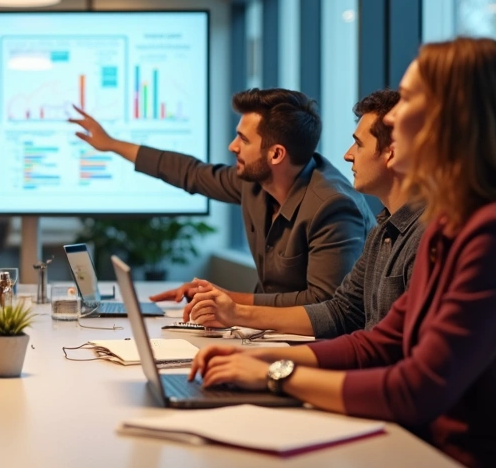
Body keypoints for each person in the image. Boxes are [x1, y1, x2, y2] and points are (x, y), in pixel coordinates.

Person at [188, 38, 496, 468]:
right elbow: (381, 340)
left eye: (408, 100)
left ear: (452, 119)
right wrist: (258, 362)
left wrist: (276, 374)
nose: (389, 119)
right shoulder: (453, 223)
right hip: (443, 463)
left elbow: (417, 389)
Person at [71, 88, 375, 307]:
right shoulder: (257, 184)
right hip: (270, 335)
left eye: (243, 139)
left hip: (317, 348)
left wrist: (226, 298)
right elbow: (190, 173)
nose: (233, 146)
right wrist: (111, 144)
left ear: (276, 154)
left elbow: (323, 303)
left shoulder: (333, 207)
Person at [181, 90, 425, 338]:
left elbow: (388, 349)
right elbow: (340, 312)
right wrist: (235, 315)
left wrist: (237, 311)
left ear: (392, 153)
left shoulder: (422, 238)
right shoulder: (384, 231)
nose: (348, 154)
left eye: (359, 144)